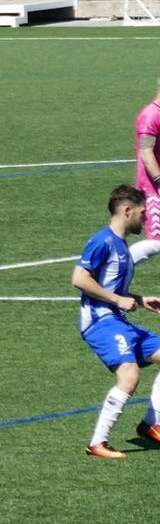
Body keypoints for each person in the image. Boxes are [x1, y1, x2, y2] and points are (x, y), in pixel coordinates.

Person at [73, 184, 160, 458]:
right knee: (129, 375)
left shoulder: (120, 245)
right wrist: (117, 300)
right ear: (126, 211)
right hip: (101, 322)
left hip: (117, 320)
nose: (145, 218)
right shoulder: (103, 240)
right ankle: (98, 443)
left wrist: (138, 298)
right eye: (142, 213)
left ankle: (151, 424)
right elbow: (79, 279)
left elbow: (109, 286)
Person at [136, 78, 160, 242]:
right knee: (156, 241)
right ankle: (119, 265)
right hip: (153, 189)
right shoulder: (151, 116)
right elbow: (146, 151)